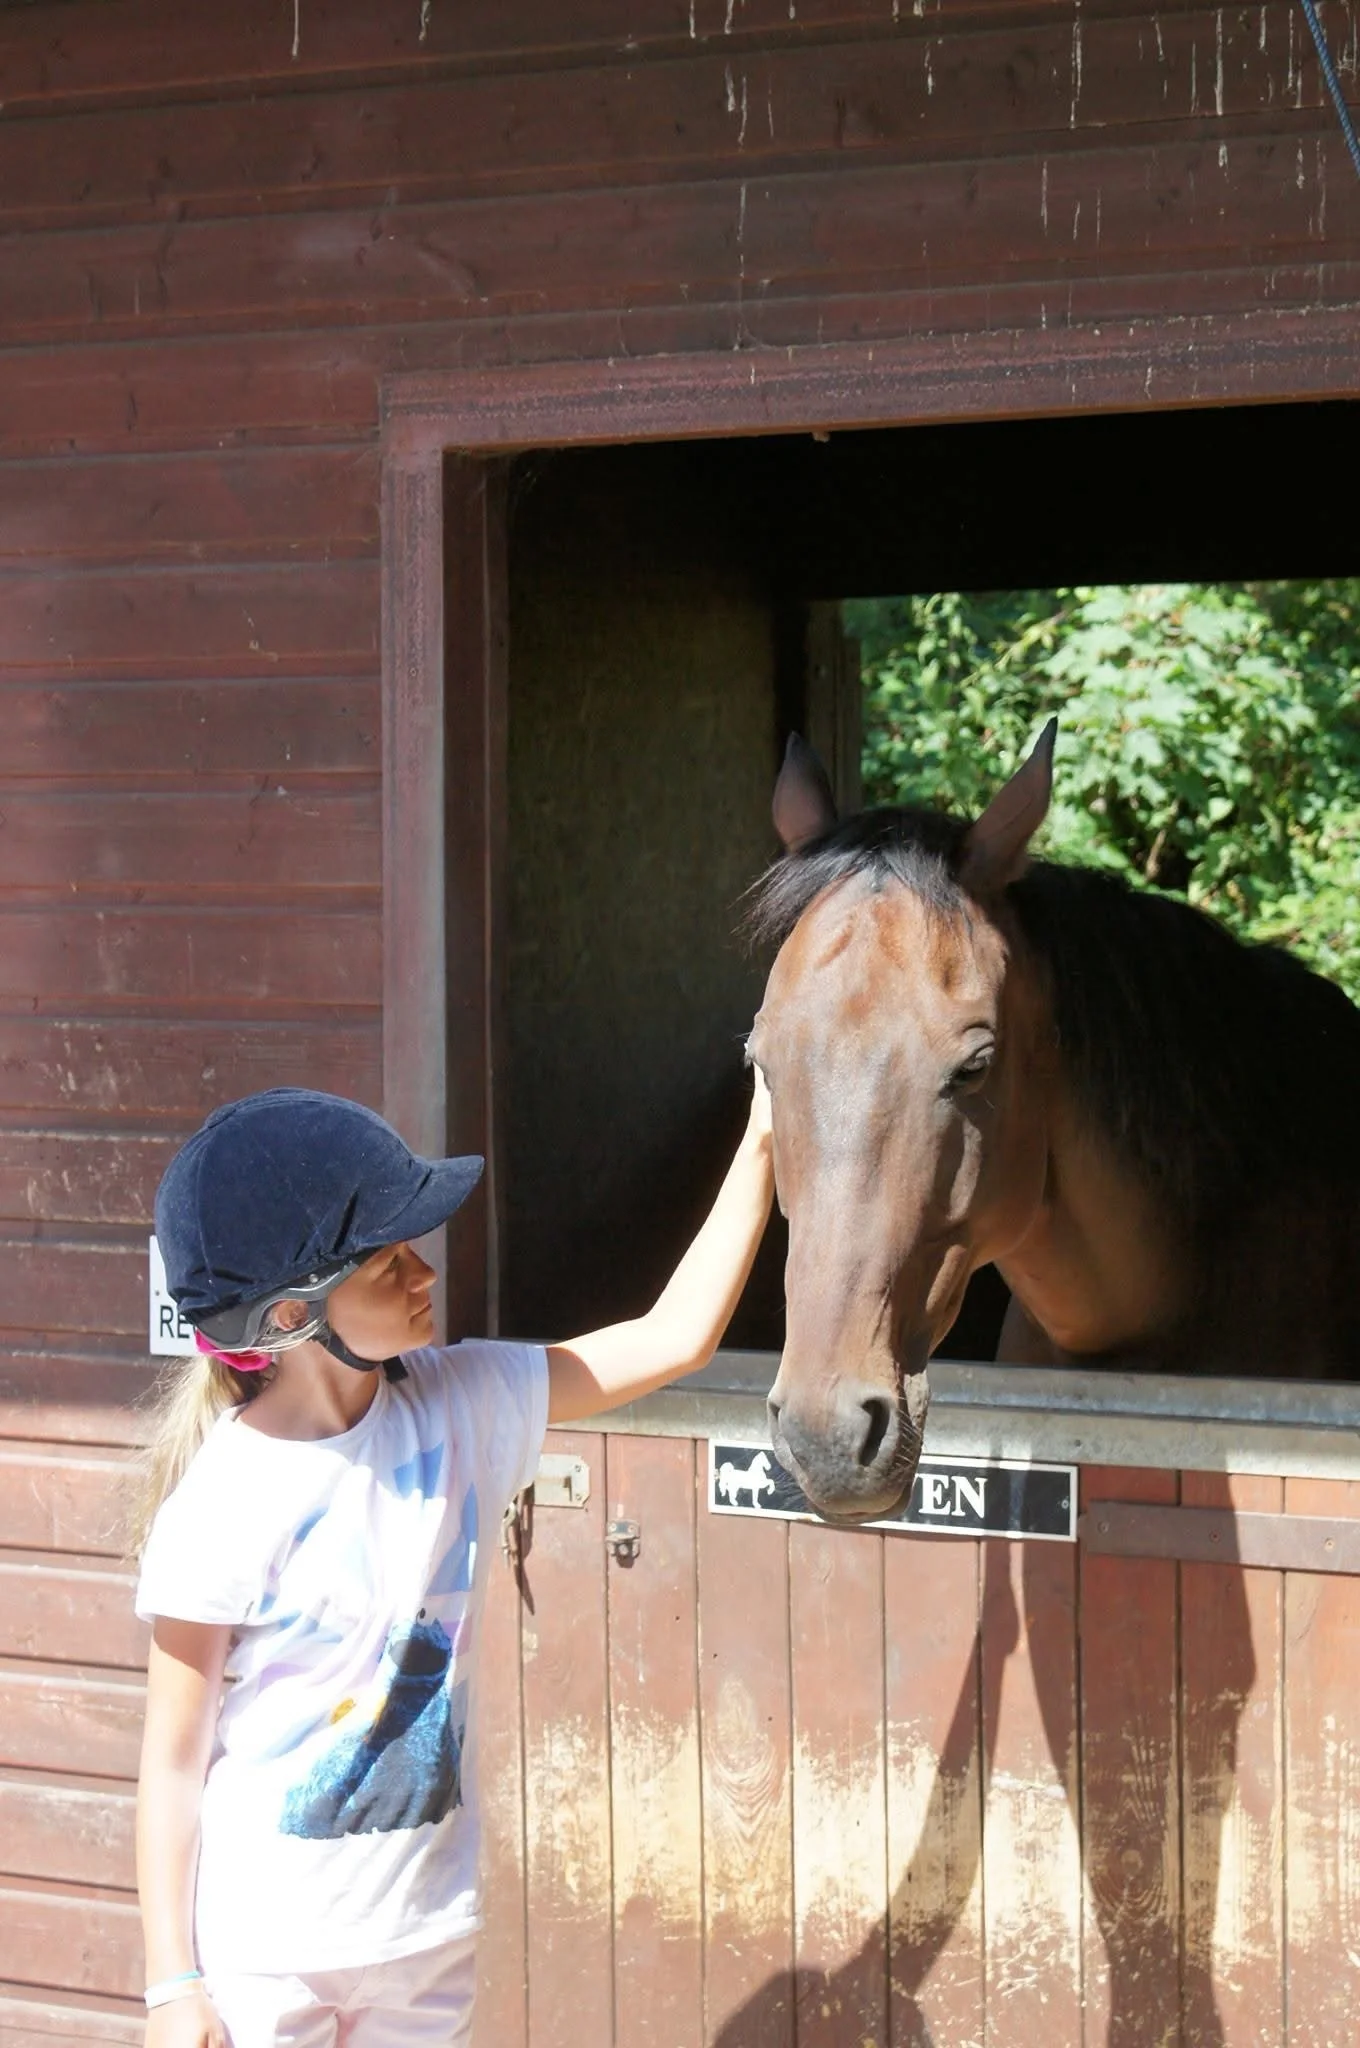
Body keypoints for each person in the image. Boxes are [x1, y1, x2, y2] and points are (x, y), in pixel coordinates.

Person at [132, 1080, 772, 2048]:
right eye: (387, 1260)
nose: (424, 1270)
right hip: (267, 1955)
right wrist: (171, 1984)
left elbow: (673, 1337)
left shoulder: (463, 1400)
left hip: (427, 1940)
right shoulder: (219, 1506)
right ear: (287, 1318)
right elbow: (173, 1764)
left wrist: (765, 1134)